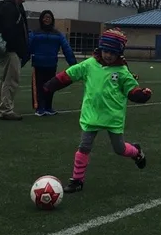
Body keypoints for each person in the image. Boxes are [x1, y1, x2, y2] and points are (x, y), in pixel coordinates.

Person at [43, 28, 150, 194]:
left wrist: (141, 95)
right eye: (106, 51)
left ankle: (136, 152)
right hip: (91, 115)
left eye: (113, 53)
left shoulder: (122, 71)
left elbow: (131, 89)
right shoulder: (89, 65)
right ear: (101, 48)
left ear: (119, 53)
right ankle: (77, 180)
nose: (108, 55)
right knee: (84, 146)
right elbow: (71, 74)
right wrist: (52, 85)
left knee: (119, 149)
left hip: (113, 116)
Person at [29, 9, 78, 116]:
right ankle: (39, 108)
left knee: (50, 86)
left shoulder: (58, 34)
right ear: (41, 19)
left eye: (49, 17)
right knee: (38, 87)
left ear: (52, 20)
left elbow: (66, 49)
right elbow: (28, 47)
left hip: (51, 65)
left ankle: (48, 107)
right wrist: (22, 61)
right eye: (44, 17)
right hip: (38, 65)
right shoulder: (35, 33)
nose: (46, 19)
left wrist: (73, 64)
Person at [0, 0, 30, 120]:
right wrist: (19, 47)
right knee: (11, 79)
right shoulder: (10, 8)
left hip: (7, 49)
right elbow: (10, 31)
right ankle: (6, 109)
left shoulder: (13, 7)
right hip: (10, 49)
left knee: (4, 79)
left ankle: (1, 107)